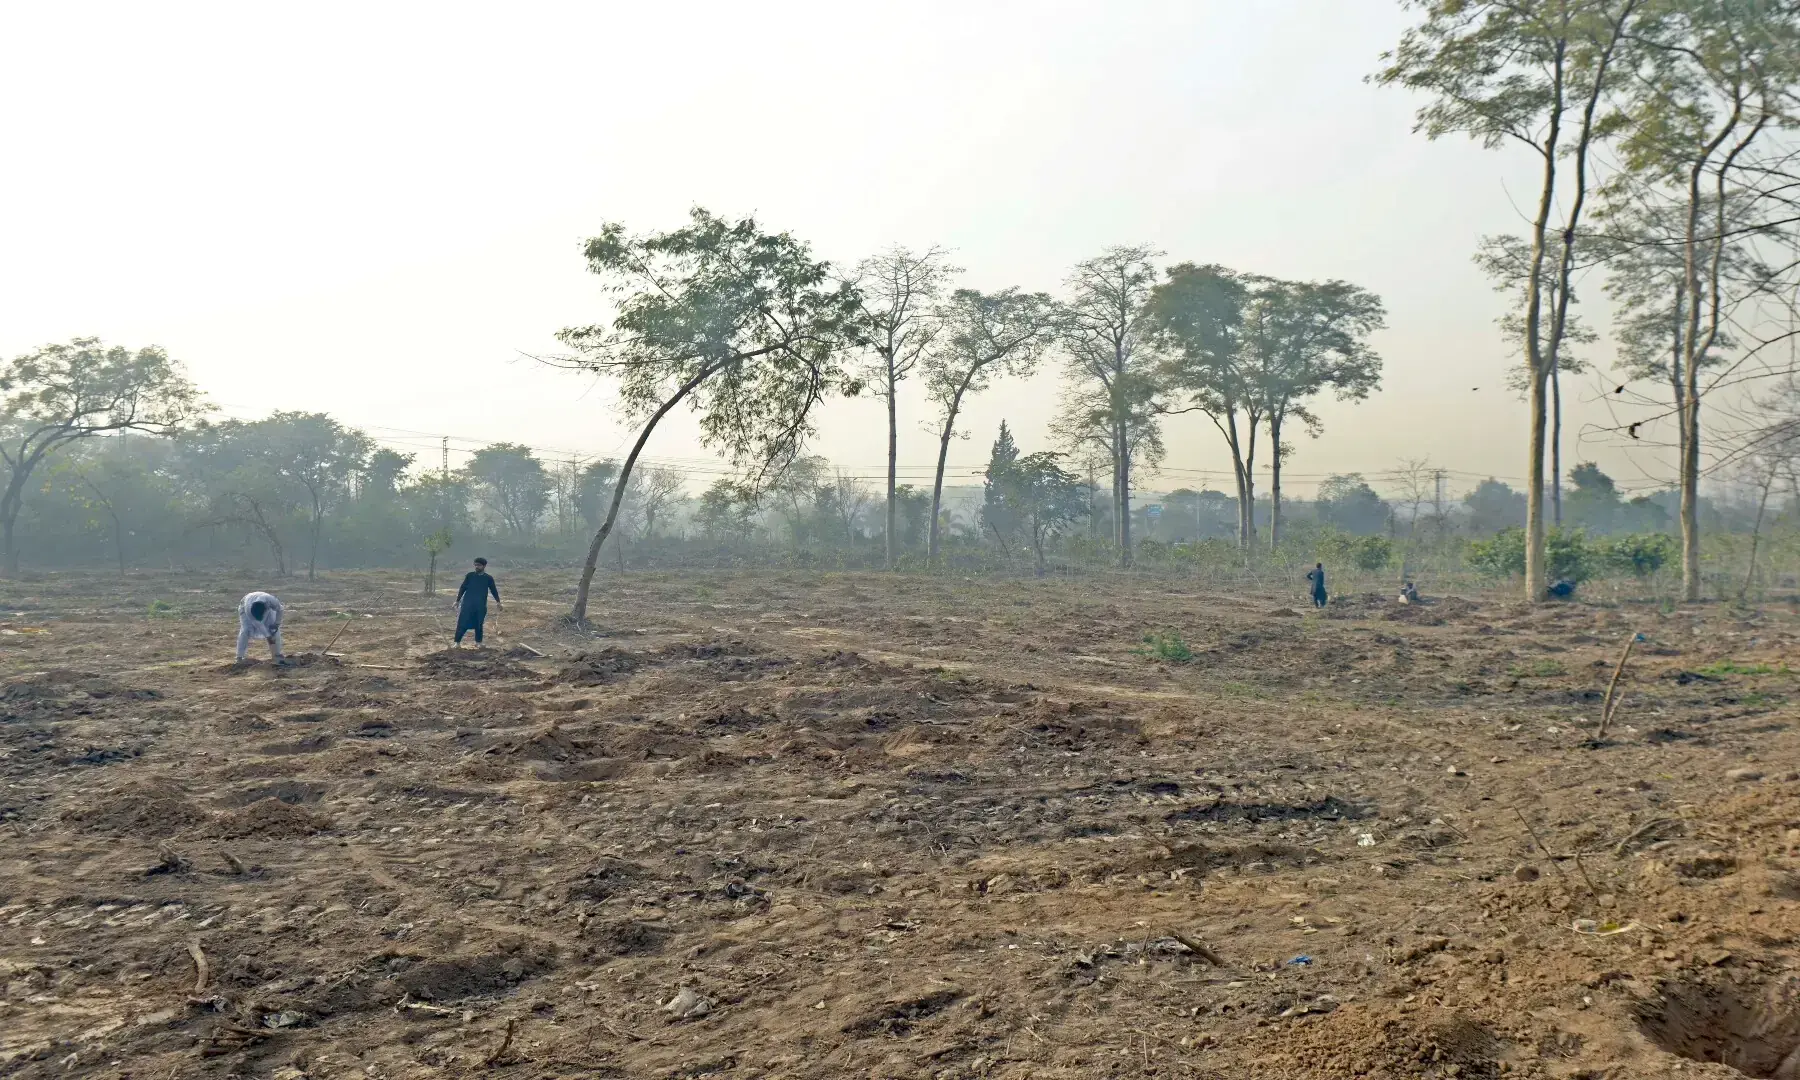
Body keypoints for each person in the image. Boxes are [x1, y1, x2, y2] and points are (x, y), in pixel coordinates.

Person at [453, 557, 501, 647]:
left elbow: (494, 590)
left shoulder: (488, 578)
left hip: (480, 605)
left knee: (479, 623)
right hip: (467, 604)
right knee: (462, 622)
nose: (476, 567)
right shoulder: (470, 576)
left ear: (484, 566)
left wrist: (498, 602)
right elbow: (463, 588)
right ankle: (457, 643)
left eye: (478, 565)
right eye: (475, 565)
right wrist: (457, 601)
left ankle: (478, 643)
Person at [236, 591, 285, 662]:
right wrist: (268, 637)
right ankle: (239, 657)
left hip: (267, 608)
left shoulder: (271, 600)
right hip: (244, 605)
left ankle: (277, 655)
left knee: (274, 631)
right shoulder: (249, 610)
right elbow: (258, 624)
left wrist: (277, 624)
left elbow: (280, 609)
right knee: (246, 630)